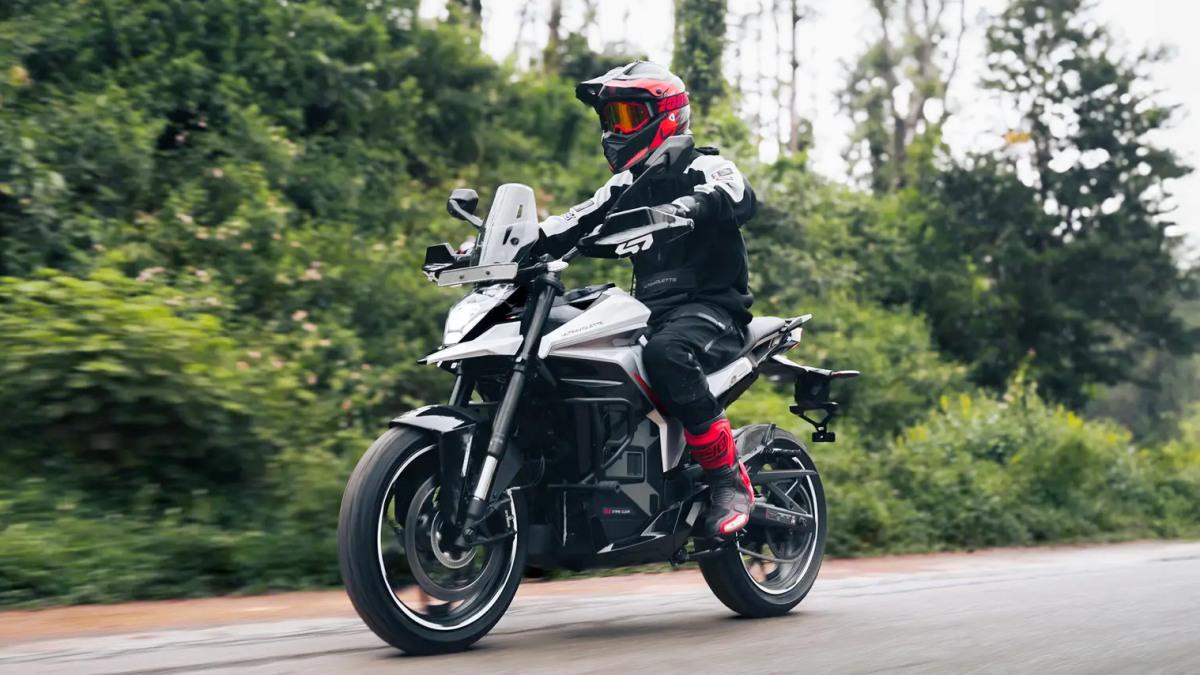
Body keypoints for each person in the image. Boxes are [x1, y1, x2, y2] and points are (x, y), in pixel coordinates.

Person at [539, 61, 759, 537]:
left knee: (666, 354)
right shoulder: (623, 187)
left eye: (628, 117)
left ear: (669, 116)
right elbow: (568, 224)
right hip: (649, 313)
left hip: (712, 308)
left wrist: (688, 205)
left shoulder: (704, 166)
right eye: (610, 119)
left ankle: (728, 479)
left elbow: (737, 193)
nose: (615, 131)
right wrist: (500, 246)